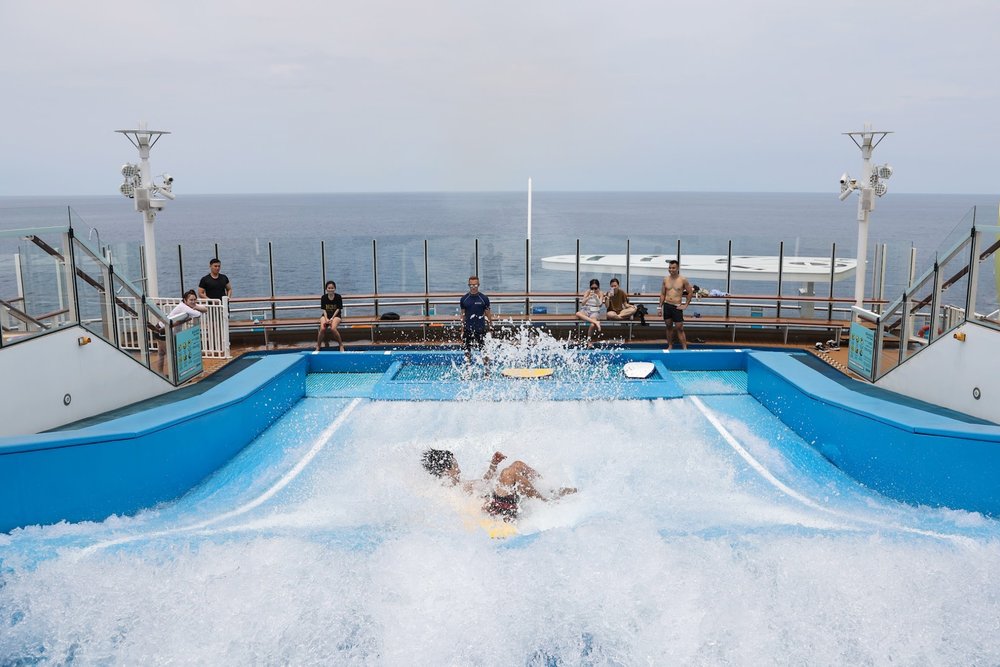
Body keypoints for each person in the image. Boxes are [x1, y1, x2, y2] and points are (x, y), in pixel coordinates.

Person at [421, 449, 576, 522]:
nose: (459, 469)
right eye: (455, 466)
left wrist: (493, 465)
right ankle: (546, 502)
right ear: (446, 471)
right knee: (509, 473)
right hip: (496, 510)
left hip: (498, 500)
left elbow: (484, 482)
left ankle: (547, 489)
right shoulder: (448, 493)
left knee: (518, 464)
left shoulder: (460, 484)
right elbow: (466, 511)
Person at [658, 259, 694, 350]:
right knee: (668, 326)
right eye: (669, 268)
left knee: (679, 328)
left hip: (677, 306)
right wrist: (659, 307)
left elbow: (690, 292)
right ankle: (670, 345)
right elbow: (662, 294)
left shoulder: (683, 280)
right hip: (667, 305)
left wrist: (685, 305)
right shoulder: (665, 279)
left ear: (677, 268)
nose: (671, 269)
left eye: (673, 268)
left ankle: (684, 348)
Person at [459, 275, 491, 363]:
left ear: (478, 285)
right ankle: (468, 370)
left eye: (475, 285)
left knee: (484, 352)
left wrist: (490, 328)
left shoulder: (484, 299)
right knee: (467, 352)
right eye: (471, 285)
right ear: (468, 285)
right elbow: (463, 315)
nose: (473, 287)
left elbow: (488, 314)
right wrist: (462, 330)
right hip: (468, 329)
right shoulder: (464, 299)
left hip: (480, 329)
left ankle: (487, 371)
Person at [316, 280, 345, 352]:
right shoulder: (324, 297)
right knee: (322, 328)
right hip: (326, 315)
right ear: (326, 289)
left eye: (332, 288)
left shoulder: (338, 297)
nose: (330, 289)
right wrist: (326, 319)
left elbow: (338, 309)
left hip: (336, 315)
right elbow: (324, 309)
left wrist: (332, 318)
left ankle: (341, 345)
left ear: (335, 288)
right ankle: (318, 346)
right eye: (329, 288)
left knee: (333, 328)